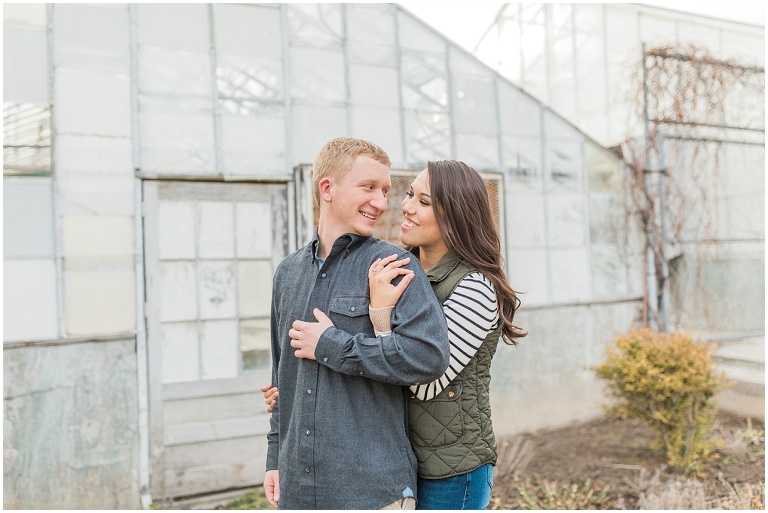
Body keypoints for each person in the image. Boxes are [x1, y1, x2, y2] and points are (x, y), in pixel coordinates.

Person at [265, 159, 526, 509]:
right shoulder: (394, 269)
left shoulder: (476, 288)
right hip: (403, 457)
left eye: (424, 201)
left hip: (449, 468)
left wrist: (378, 317)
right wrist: (299, 386)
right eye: (408, 195)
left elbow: (422, 379)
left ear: (457, 215)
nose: (404, 206)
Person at [263, 137, 451, 510]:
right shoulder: (287, 274)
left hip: (373, 491)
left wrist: (332, 344)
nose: (381, 203)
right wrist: (274, 459)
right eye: (369, 187)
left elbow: (428, 356)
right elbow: (281, 378)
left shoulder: (394, 265)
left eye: (385, 191)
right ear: (327, 188)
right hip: (300, 490)